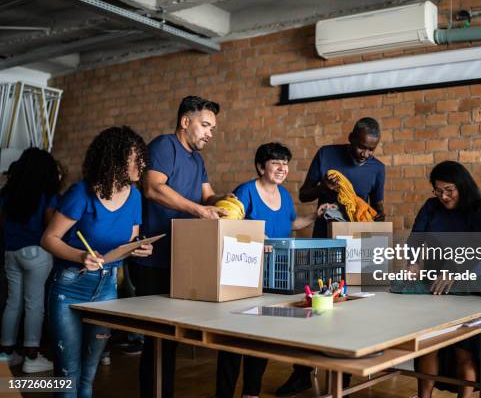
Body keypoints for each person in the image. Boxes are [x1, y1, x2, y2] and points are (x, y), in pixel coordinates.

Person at [277, 117, 385, 396]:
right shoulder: (326, 155)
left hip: (355, 248)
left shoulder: (377, 169)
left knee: (348, 310)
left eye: (371, 149)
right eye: (361, 147)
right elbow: (303, 195)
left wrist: (377, 221)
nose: (365, 154)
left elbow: (378, 206)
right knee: (314, 307)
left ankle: (342, 379)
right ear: (351, 138)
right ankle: (301, 373)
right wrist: (325, 188)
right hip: (323, 243)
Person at [41, 126, 152, 398]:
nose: (143, 164)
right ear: (116, 159)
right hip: (69, 287)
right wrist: (81, 256)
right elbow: (49, 238)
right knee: (68, 376)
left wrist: (135, 249)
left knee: (89, 376)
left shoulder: (135, 196)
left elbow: (127, 242)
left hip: (107, 288)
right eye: (136, 157)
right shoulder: (81, 192)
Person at [216, 142, 333, 398]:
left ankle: (251, 393)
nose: (282, 168)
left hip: (275, 276)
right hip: (244, 274)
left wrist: (315, 215)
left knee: (261, 338)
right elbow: (229, 227)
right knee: (233, 340)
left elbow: (291, 225)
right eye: (276, 163)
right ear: (261, 166)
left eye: (285, 163)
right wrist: (259, 239)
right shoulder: (245, 191)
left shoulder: (285, 195)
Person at [137, 96, 230, 398]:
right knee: (157, 340)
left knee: (171, 338)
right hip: (153, 257)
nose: (210, 133)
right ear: (185, 122)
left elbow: (208, 197)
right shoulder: (165, 146)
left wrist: (228, 201)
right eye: (205, 125)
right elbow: (152, 187)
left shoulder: (197, 160)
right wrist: (199, 211)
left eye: (213, 128)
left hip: (182, 258)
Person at [402, 161, 481, 398]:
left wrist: (453, 270)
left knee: (462, 350)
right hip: (435, 285)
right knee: (428, 346)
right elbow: (415, 238)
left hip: (471, 286)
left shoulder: (480, 211)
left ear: (462, 186)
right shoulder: (431, 207)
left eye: (449, 190)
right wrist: (412, 262)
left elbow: (479, 248)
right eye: (438, 190)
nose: (443, 196)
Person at [0, 148, 60, 373]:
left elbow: (3, 223)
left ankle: (6, 353)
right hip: (36, 251)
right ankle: (32, 356)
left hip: (11, 252)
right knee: (34, 303)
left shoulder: (8, 192)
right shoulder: (46, 192)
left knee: (13, 302)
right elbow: (50, 225)